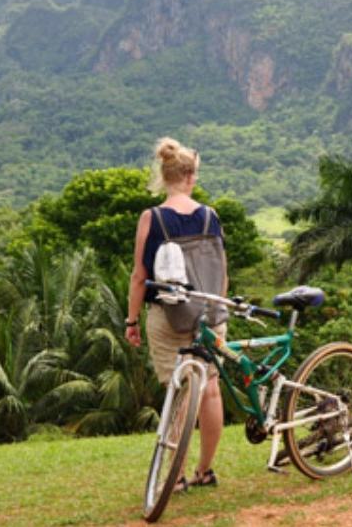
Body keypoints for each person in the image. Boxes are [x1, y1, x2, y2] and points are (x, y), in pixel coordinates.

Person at [124, 137, 226, 490]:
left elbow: (140, 276)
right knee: (210, 390)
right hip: (210, 314)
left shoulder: (151, 218)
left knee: (179, 393)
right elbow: (222, 271)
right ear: (190, 176)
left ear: (165, 175)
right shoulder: (210, 216)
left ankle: (176, 476)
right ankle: (205, 470)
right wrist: (216, 313)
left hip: (167, 317)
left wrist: (132, 321)